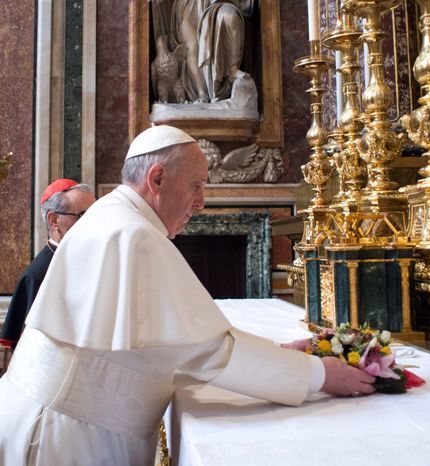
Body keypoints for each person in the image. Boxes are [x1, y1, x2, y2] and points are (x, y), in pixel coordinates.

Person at [0, 125, 375, 465]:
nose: (201, 201)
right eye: (196, 185)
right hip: (64, 439)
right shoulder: (132, 234)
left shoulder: (113, 218)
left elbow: (161, 346)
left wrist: (278, 353)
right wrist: (319, 375)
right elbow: (209, 353)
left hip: (65, 422)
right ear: (157, 178)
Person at [0, 179, 95, 349]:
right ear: (54, 220)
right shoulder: (37, 276)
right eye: (82, 215)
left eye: (94, 215)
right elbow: (29, 350)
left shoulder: (91, 259)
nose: (92, 223)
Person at [171, 0, 254, 102]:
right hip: (190, 3)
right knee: (191, 46)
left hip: (220, 3)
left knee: (230, 17)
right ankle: (202, 93)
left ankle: (232, 70)